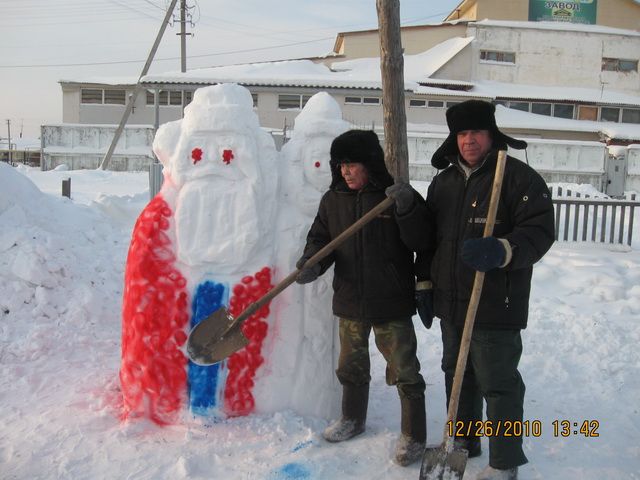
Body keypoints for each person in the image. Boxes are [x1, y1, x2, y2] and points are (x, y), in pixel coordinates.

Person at [387, 100, 555, 480]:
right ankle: (464, 440)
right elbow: (429, 240)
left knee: (498, 381)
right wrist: (425, 282)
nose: (469, 141)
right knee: (456, 372)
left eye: (476, 132)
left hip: (497, 301)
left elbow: (541, 232)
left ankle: (504, 461)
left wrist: (503, 249)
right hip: (451, 300)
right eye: (462, 134)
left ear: (491, 135)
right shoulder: (444, 182)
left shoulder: (518, 179)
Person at [295, 129, 427, 466]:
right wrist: (312, 263)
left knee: (405, 369)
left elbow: (422, 240)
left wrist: (408, 208)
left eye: (352, 164)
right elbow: (320, 239)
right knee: (350, 366)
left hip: (391, 299)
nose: (345, 172)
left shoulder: (394, 196)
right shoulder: (333, 200)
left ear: (369, 164)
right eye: (340, 165)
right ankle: (352, 419)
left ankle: (413, 435)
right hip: (351, 297)